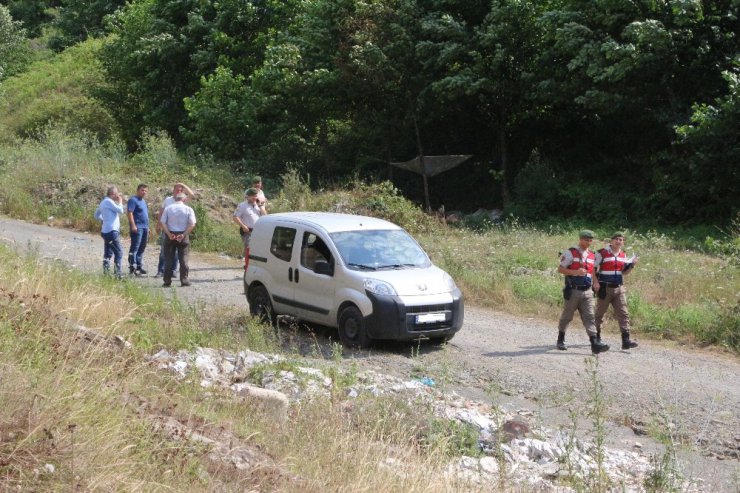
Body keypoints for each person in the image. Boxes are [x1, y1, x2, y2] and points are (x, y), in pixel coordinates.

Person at [556, 230, 610, 354]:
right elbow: (560, 269)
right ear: (580, 239)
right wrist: (575, 272)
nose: (589, 242)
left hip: (587, 291)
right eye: (586, 240)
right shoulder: (570, 252)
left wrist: (595, 282)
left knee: (590, 317)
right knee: (567, 316)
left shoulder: (592, 255)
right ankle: (561, 339)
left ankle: (594, 343)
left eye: (590, 240)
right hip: (574, 290)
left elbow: (592, 271)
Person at [594, 232, 639, 350]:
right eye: (616, 239)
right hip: (605, 288)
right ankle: (596, 339)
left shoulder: (623, 255)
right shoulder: (601, 253)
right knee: (599, 314)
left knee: (623, 314)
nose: (619, 241)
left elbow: (624, 272)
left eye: (621, 240)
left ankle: (626, 341)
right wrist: (595, 282)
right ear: (611, 240)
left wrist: (632, 266)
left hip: (619, 288)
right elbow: (592, 269)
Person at [154, 182, 195, 277]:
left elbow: (192, 195)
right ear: (173, 191)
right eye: (177, 189)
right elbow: (161, 212)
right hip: (167, 229)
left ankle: (173, 270)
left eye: (181, 190)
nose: (179, 191)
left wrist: (183, 184)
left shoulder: (183, 199)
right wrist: (158, 224)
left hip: (181, 230)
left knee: (177, 252)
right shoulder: (168, 200)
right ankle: (160, 270)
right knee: (164, 251)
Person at [159, 192, 196, 287]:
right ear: (184, 200)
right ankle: (184, 280)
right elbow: (192, 224)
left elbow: (163, 222)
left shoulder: (168, 208)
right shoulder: (188, 209)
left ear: (175, 199)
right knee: (184, 259)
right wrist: (183, 234)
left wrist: (168, 233)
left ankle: (167, 281)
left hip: (170, 234)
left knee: (169, 259)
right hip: (183, 235)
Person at [94, 186, 125, 279]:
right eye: (116, 194)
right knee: (119, 253)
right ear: (112, 194)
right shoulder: (109, 201)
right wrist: (120, 201)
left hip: (105, 231)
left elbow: (96, 215)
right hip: (112, 231)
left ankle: (106, 273)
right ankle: (118, 274)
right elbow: (121, 210)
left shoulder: (103, 202)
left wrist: (103, 220)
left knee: (108, 253)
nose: (118, 195)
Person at [233, 187, 267, 270]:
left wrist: (261, 206)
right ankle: (248, 266)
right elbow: (235, 217)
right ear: (247, 197)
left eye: (256, 196)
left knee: (258, 248)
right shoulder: (242, 206)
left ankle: (253, 264)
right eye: (253, 196)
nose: (255, 198)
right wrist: (243, 225)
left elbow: (266, 216)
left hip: (258, 231)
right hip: (247, 231)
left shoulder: (258, 205)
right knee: (249, 247)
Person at [127, 183, 150, 276]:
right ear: (137, 190)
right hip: (137, 227)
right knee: (135, 247)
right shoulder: (133, 200)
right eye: (142, 190)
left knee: (142, 247)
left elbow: (145, 216)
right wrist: (133, 225)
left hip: (144, 227)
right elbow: (130, 213)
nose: (144, 192)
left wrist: (148, 227)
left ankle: (139, 266)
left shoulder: (143, 201)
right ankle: (132, 266)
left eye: (145, 191)